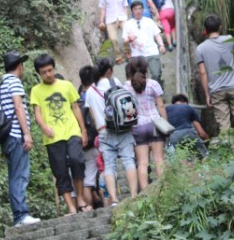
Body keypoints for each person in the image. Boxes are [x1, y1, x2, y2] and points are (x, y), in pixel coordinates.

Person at [30, 54, 91, 216]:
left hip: (72, 131)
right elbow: (37, 112)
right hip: (52, 137)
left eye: (50, 70)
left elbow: (76, 108)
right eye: (44, 72)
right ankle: (71, 207)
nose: (48, 74)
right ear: (39, 73)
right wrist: (44, 127)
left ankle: (80, 199)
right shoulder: (36, 90)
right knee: (60, 171)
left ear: (54, 68)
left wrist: (83, 130)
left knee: (77, 160)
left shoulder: (66, 85)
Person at [85, 59, 138, 207]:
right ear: (108, 71)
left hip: (103, 131)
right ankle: (134, 195)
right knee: (128, 160)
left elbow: (93, 116)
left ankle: (114, 199)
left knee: (109, 166)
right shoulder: (115, 82)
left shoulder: (90, 91)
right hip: (122, 128)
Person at [0, 51, 40, 228]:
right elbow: (18, 107)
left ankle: (19, 216)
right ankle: (21, 216)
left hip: (7, 138)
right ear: (19, 66)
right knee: (20, 176)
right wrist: (27, 134)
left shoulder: (2, 84)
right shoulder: (14, 82)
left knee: (14, 176)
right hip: (16, 136)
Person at [196, 15, 234, 134]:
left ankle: (227, 144)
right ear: (220, 27)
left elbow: (202, 72)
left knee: (224, 126)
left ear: (205, 29)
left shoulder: (200, 49)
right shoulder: (230, 39)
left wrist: (207, 95)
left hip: (216, 90)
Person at [124, 58, 168, 191]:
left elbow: (129, 112)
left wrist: (131, 129)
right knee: (159, 159)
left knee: (142, 163)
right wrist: (165, 124)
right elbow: (160, 105)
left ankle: (145, 193)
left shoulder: (126, 87)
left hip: (138, 126)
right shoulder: (153, 84)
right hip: (156, 122)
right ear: (146, 68)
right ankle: (163, 189)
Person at [123, 1, 166, 86]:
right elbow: (124, 40)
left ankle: (158, 91)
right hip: (137, 55)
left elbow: (157, 34)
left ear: (143, 10)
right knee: (139, 78)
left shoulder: (149, 21)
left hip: (152, 52)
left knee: (156, 74)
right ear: (132, 11)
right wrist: (130, 39)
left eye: (140, 9)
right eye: (135, 9)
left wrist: (161, 45)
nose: (138, 11)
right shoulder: (128, 24)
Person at [78, 66, 99, 208]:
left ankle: (89, 207)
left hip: (80, 144)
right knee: (98, 175)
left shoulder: (77, 100)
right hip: (96, 142)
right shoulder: (97, 95)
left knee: (87, 179)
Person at [99, 0, 129, 65]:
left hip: (122, 17)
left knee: (126, 36)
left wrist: (126, 17)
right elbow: (103, 10)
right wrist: (101, 21)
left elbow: (125, 7)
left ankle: (127, 52)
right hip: (110, 19)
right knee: (113, 39)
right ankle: (118, 57)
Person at [166, 95, 209, 159]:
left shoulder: (166, 110)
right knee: (204, 157)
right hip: (188, 133)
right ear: (185, 102)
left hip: (172, 137)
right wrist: (209, 141)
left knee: (180, 160)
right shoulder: (188, 107)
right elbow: (201, 133)